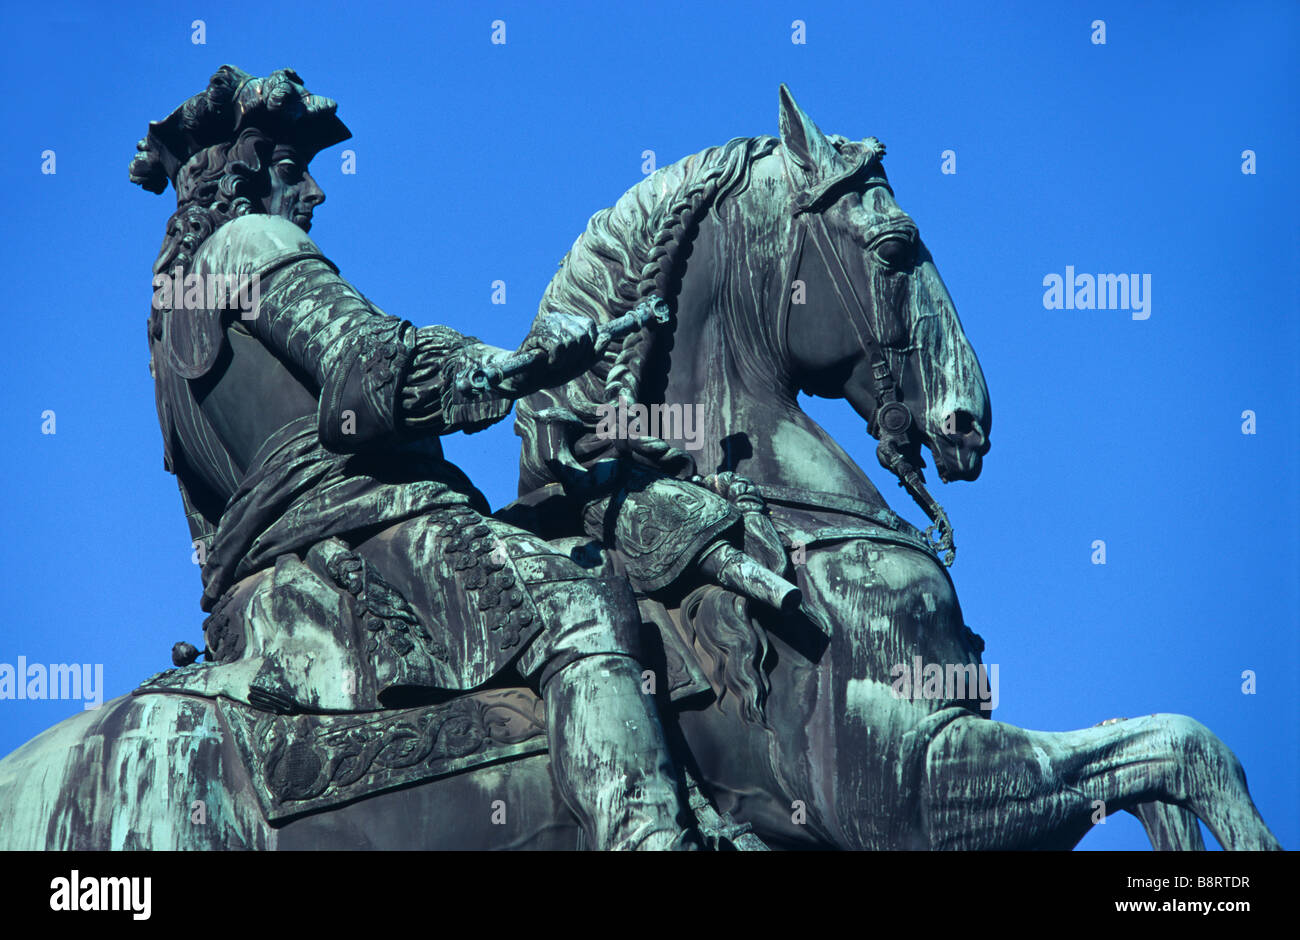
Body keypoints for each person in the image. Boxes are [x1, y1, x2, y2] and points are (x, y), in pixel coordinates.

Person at [130, 65, 698, 849]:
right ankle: (650, 835)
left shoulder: (163, 323)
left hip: (249, 595)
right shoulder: (248, 242)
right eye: (294, 172)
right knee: (579, 602)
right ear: (243, 180)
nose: (316, 196)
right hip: (369, 535)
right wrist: (515, 365)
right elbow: (362, 363)